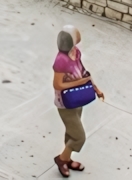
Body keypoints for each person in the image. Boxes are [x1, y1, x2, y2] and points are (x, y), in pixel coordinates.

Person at [52, 25, 101, 177]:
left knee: (71, 132)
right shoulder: (61, 60)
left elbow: (83, 71)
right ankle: (61, 159)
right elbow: (57, 84)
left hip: (77, 98)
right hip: (65, 102)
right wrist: (79, 83)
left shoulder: (76, 52)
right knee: (79, 136)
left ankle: (67, 159)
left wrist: (95, 88)